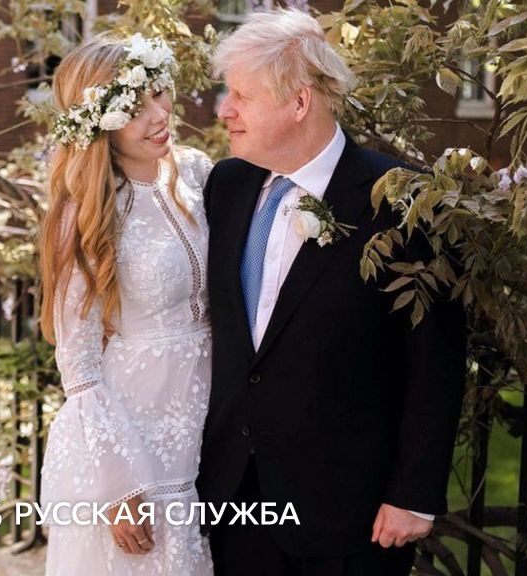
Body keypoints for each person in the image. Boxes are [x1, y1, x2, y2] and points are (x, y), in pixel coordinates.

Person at [197, 9, 468, 576]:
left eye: (242, 96)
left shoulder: (403, 202)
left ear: (299, 102)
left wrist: (414, 494)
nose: (225, 110)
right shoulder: (227, 185)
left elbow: (435, 359)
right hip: (234, 499)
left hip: (351, 511)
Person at [37, 34, 214, 575]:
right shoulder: (87, 213)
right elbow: (80, 365)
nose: (160, 114)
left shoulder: (197, 172)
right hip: (133, 434)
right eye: (136, 108)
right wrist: (115, 485)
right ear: (101, 124)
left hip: (210, 416)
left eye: (159, 93)